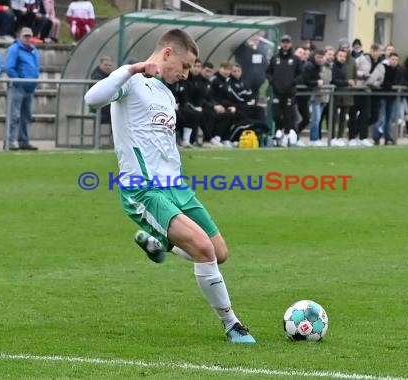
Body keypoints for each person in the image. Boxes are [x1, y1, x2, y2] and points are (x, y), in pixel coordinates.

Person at [84, 29, 256, 344]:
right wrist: (132, 68)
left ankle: (157, 243)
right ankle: (232, 324)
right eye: (186, 65)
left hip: (177, 186)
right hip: (144, 189)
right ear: (167, 53)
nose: (187, 74)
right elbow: (91, 99)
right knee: (204, 251)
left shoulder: (166, 93)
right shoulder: (130, 82)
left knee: (220, 252)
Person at [5, 27, 40, 150]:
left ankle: (24, 141)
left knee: (27, 116)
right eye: (25, 36)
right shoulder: (14, 49)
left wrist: (35, 80)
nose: (27, 38)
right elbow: (9, 67)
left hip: (30, 87)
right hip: (18, 87)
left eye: (29, 36)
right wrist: (19, 80)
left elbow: (36, 68)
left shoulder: (34, 50)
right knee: (14, 115)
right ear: (20, 36)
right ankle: (10, 140)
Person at [266, 34, 304, 147]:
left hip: (289, 92)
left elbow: (300, 73)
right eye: (283, 42)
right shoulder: (275, 58)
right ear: (281, 44)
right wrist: (272, 81)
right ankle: (279, 128)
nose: (285, 44)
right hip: (277, 91)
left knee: (288, 115)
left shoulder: (295, 59)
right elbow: (268, 72)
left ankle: (286, 135)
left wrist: (293, 82)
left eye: (287, 42)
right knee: (276, 114)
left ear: (290, 44)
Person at [89, 55, 113, 124]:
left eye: (109, 65)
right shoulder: (96, 76)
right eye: (105, 65)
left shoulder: (110, 75)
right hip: (99, 105)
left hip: (105, 103)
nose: (108, 67)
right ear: (100, 65)